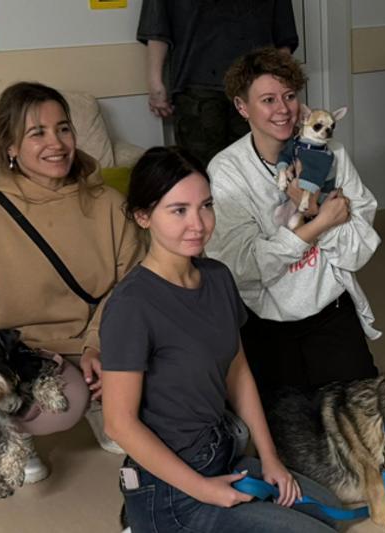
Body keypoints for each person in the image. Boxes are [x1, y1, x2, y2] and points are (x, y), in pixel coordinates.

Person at [100, 146, 340, 532]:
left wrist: (271, 458)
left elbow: (237, 371)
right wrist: (204, 490)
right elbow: (118, 424)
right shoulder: (131, 306)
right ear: (143, 216)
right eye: (179, 210)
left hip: (222, 454)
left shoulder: (217, 277)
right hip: (172, 489)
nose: (198, 224)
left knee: (329, 509)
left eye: (206, 206)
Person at [0, 82, 142, 484]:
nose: (56, 143)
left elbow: (131, 283)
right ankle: (8, 436)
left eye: (63, 129)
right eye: (36, 133)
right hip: (18, 349)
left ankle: (104, 404)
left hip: (92, 335)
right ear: (10, 146)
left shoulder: (109, 203)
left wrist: (98, 344)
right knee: (59, 405)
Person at [205, 48, 380, 393]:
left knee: (360, 406)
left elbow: (360, 248)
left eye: (289, 96)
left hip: (330, 306)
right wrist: (317, 221)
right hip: (266, 318)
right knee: (284, 419)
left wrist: (312, 208)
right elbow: (240, 267)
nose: (283, 109)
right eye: (268, 100)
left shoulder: (333, 153)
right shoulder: (227, 171)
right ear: (242, 107)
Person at [137, 0, 299, 166]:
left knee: (261, 164)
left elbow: (283, 35)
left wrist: (284, 88)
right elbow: (157, 28)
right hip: (196, 86)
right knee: (199, 168)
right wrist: (155, 82)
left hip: (256, 85)